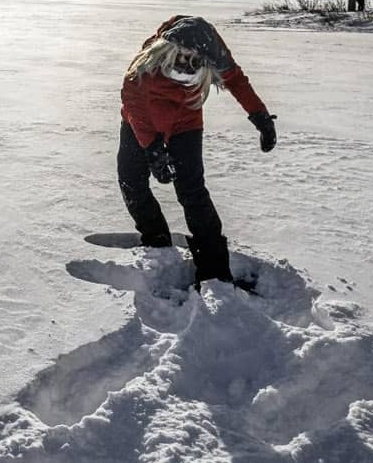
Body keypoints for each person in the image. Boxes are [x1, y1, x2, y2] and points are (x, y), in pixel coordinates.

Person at [117, 15, 277, 287]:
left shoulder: (214, 51)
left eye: (194, 61)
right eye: (182, 58)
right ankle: (156, 242)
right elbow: (132, 100)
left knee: (191, 191)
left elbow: (236, 80)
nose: (187, 66)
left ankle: (214, 270)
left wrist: (260, 117)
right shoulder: (147, 60)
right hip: (141, 122)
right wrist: (153, 149)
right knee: (131, 181)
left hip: (185, 123)